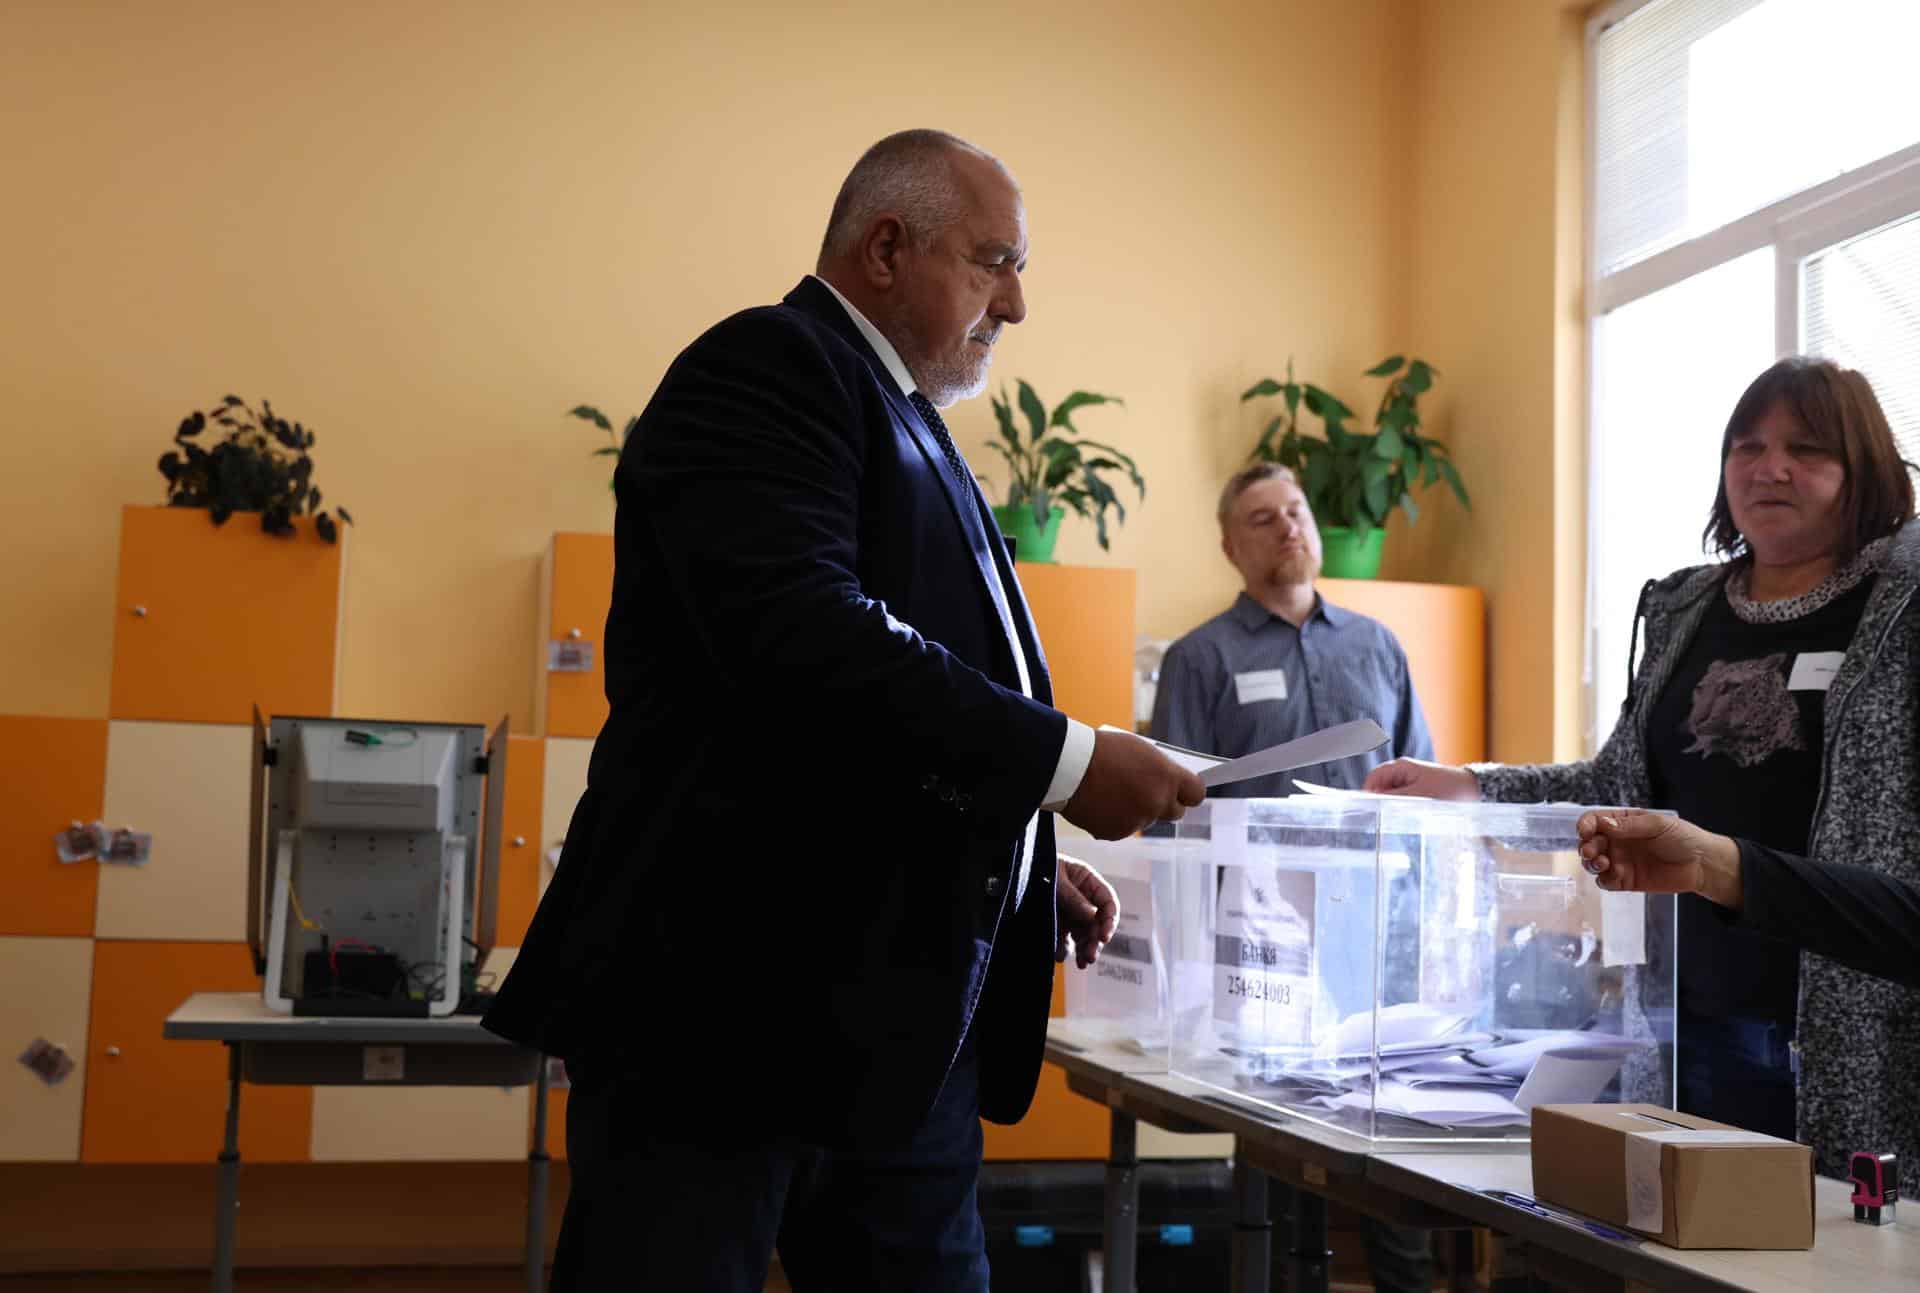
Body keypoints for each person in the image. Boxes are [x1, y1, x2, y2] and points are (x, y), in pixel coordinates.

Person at [482, 129, 1206, 1291]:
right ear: (884, 248)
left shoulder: (902, 411)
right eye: (994, 262)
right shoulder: (771, 366)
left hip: (887, 1036)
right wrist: (1068, 767)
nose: (1015, 303)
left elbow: (861, 735)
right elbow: (805, 638)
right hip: (723, 1016)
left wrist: (1018, 857)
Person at [1367, 356, 1920, 1196]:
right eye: (1748, 446)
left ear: (1864, 469)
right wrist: (1469, 786)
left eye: (1806, 450)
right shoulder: (1685, 607)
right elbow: (1618, 778)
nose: (1770, 468)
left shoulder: (1901, 608)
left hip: (1839, 1026)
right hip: (1681, 1014)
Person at [1151, 460, 1437, 1293]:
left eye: (1297, 510)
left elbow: (1420, 784)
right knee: (1271, 1158)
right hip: (1266, 946)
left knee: (1390, 1151)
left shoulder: (1379, 643)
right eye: (1262, 517)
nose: (1288, 527)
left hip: (1382, 938)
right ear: (1230, 545)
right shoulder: (1199, 658)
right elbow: (1178, 812)